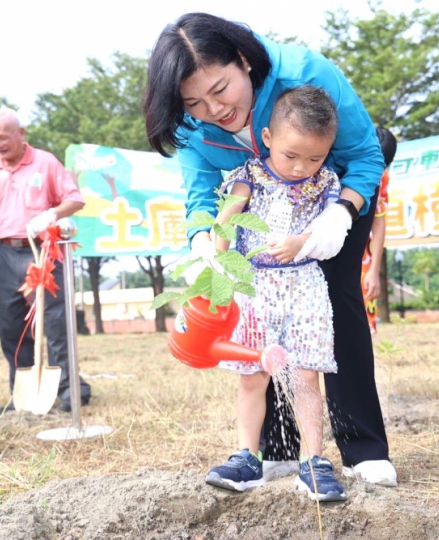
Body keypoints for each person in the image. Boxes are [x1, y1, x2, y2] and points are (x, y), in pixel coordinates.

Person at [144, 12, 396, 487]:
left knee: (334, 303)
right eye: (195, 102)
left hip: (331, 196)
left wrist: (339, 214)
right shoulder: (190, 125)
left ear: (243, 62)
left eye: (221, 90)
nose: (214, 110)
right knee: (263, 319)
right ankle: (276, 449)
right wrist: (203, 242)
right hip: (260, 215)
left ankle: (363, 449)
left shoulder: (306, 75)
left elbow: (366, 154)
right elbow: (200, 194)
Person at [207, 85, 346, 501]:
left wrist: (302, 241)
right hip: (255, 288)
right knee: (253, 374)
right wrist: (218, 268)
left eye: (315, 157)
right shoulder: (248, 176)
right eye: (291, 155)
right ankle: (248, 457)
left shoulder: (326, 183)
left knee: (305, 375)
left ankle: (313, 462)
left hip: (304, 287)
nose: (302, 166)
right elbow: (226, 221)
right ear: (267, 138)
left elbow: (329, 233)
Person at [0, 107, 91, 413]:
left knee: (56, 320)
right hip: (6, 252)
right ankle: (22, 394)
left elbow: (74, 198)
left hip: (44, 249)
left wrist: (52, 213)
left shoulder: (44, 162)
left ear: (20, 134)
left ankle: (68, 389)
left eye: (3, 136)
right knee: (11, 325)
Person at [361, 127, 397, 334]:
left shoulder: (382, 177)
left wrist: (374, 271)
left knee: (362, 318)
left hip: (360, 255)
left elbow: (379, 220)